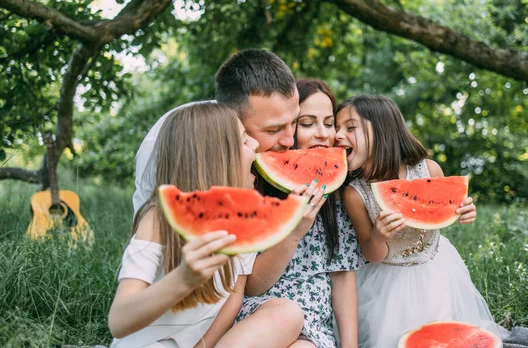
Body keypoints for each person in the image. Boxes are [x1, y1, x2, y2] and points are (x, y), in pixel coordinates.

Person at [130, 49, 326, 346]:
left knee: (289, 317)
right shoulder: (168, 146)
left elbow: (241, 284)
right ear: (233, 126)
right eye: (273, 129)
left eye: (294, 122)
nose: (289, 140)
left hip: (230, 307)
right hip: (172, 309)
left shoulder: (260, 160)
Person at [109, 103, 306, 347]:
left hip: (197, 344)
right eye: (244, 141)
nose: (256, 144)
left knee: (288, 313)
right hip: (149, 343)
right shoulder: (157, 219)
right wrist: (183, 279)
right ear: (219, 158)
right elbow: (119, 320)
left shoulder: (244, 219)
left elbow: (233, 299)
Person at [335, 95, 501, 348]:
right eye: (337, 128)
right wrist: (379, 237)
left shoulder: (428, 170)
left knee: (444, 338)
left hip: (437, 271)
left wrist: (464, 211)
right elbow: (372, 253)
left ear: (381, 131)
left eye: (349, 127)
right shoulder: (355, 194)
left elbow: (445, 211)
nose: (337, 135)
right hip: (386, 285)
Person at [236, 78, 364, 348]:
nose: (322, 133)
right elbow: (253, 286)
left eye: (329, 123)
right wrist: (293, 232)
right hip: (262, 312)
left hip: (315, 326)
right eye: (307, 123)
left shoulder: (337, 195)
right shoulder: (255, 187)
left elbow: (342, 277)